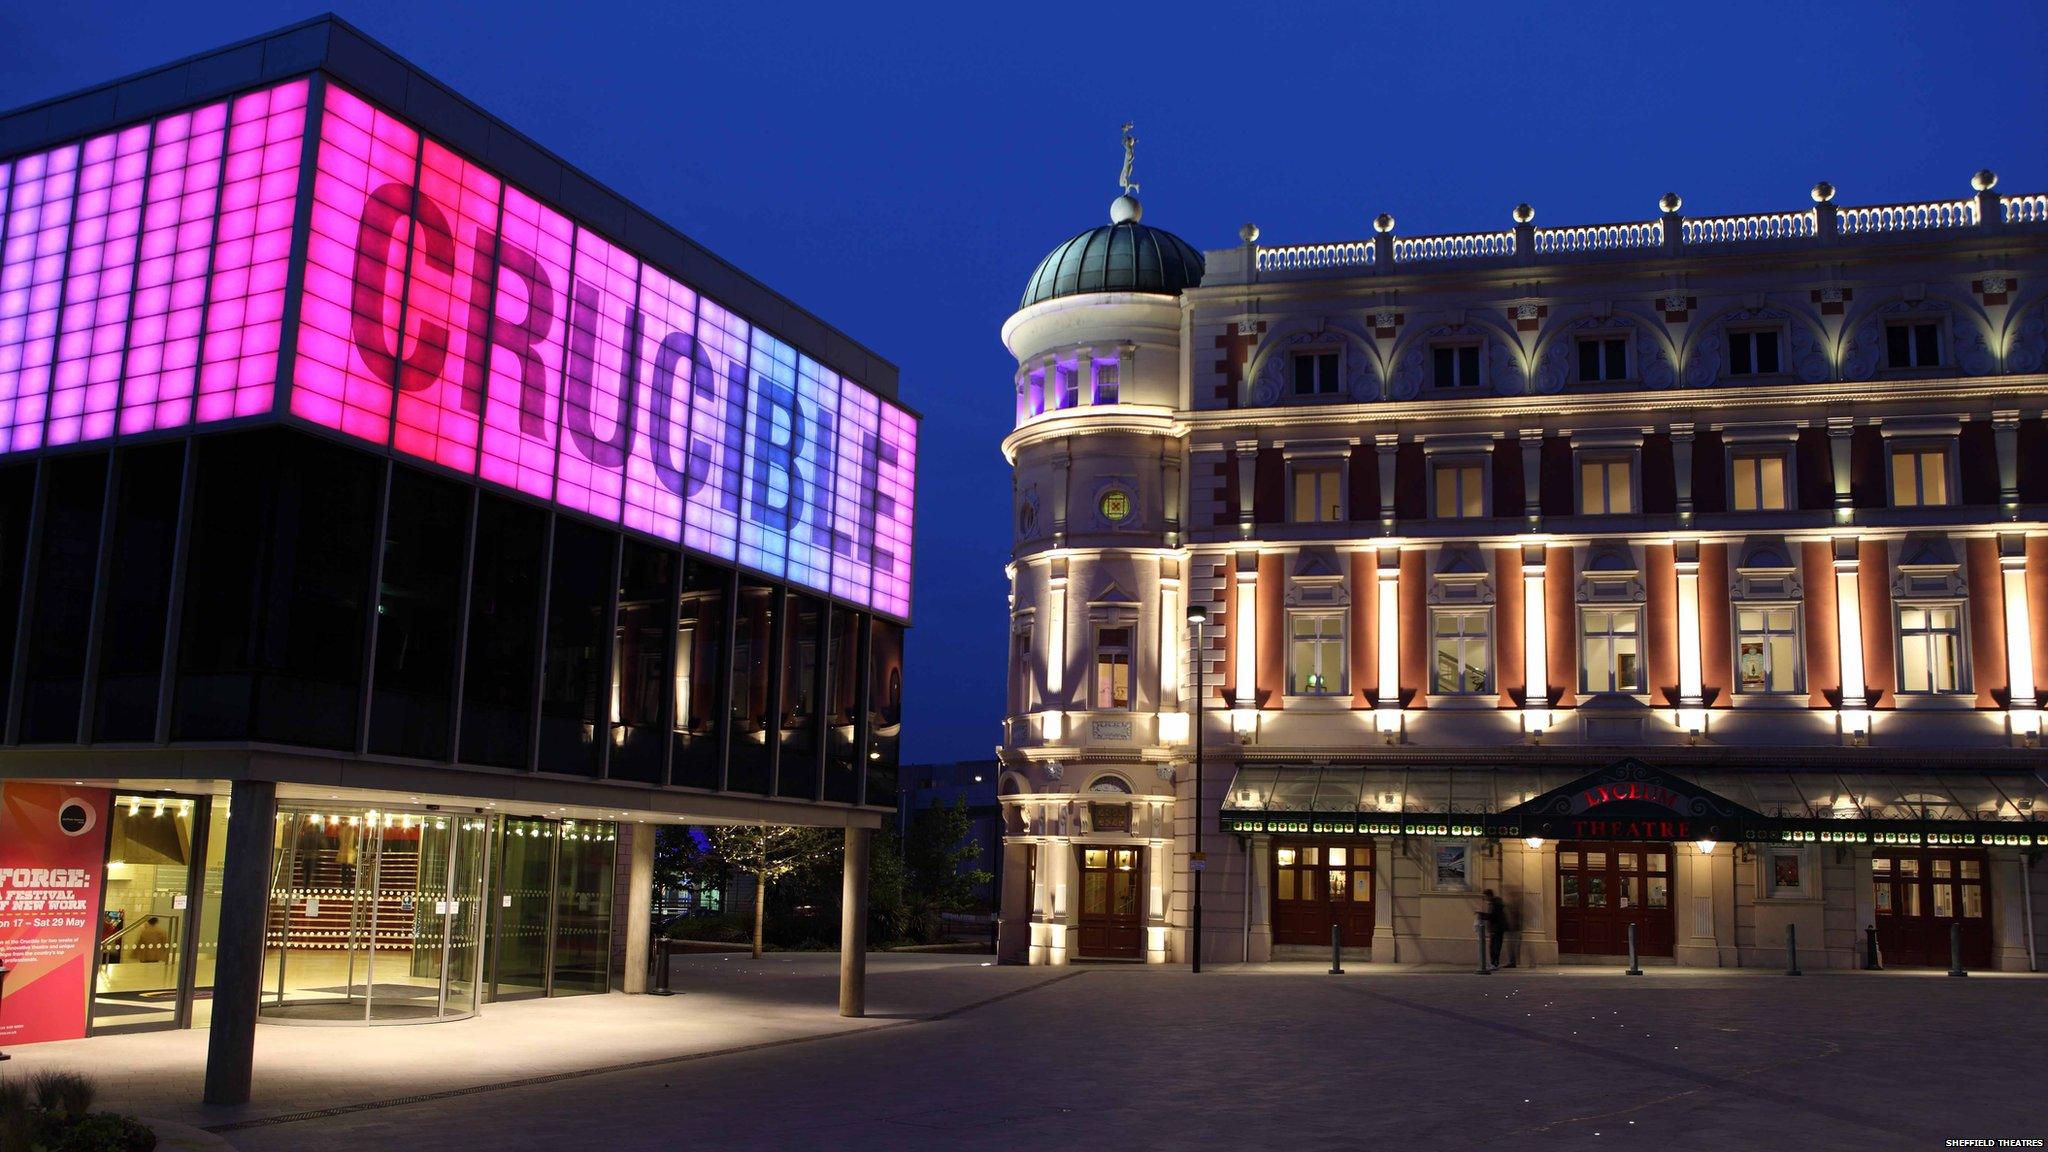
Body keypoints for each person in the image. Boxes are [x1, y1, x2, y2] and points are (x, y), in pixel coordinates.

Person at [1481, 889, 1507, 970]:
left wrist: (1482, 915)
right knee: (1494, 946)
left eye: (1485, 896)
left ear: (1489, 895)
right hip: (1495, 928)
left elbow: (1493, 916)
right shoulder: (1494, 903)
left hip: (1497, 928)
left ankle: (1494, 963)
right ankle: (1494, 963)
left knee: (1494, 947)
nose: (1484, 898)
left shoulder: (1495, 904)